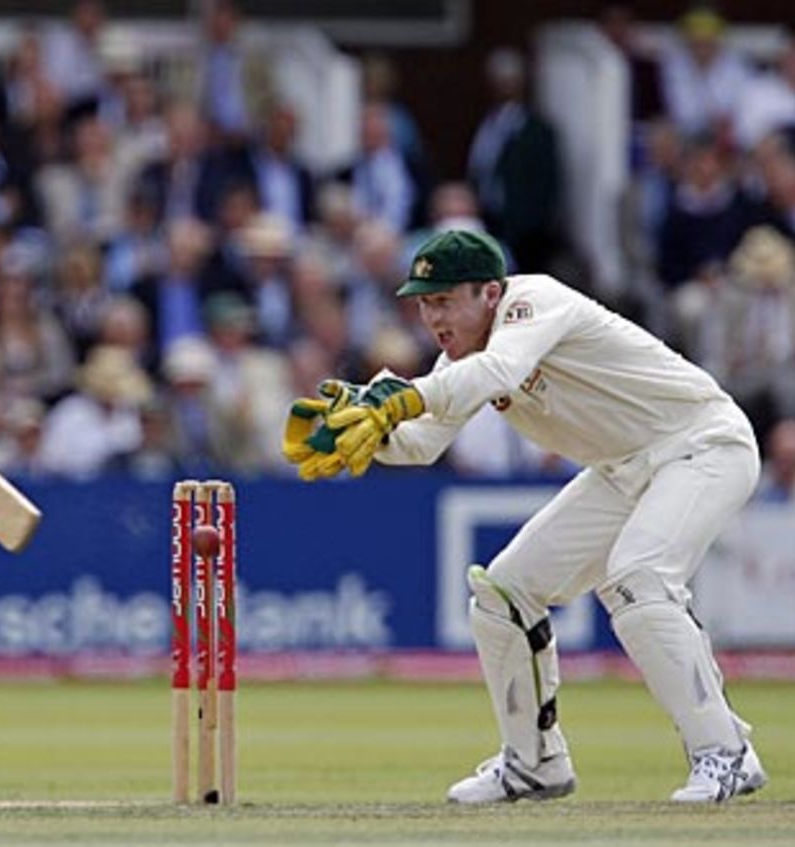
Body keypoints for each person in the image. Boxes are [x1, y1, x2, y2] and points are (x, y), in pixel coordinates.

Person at [282, 229, 767, 804]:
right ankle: (533, 764)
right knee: (503, 593)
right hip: (623, 470)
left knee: (639, 578)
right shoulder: (459, 362)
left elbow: (498, 372)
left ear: (489, 293)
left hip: (703, 444)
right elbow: (423, 443)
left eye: (442, 300)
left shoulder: (535, 301)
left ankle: (725, 753)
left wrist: (399, 399)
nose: (430, 316)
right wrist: (364, 433)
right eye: (422, 302)